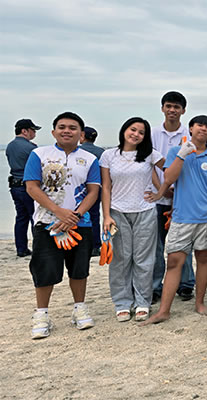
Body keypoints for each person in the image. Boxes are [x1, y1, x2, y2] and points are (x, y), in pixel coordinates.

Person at [141, 115, 207, 325]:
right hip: (182, 216)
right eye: (200, 125)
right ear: (190, 128)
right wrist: (181, 155)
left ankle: (199, 302)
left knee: (203, 259)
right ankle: (164, 310)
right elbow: (169, 178)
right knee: (174, 261)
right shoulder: (175, 152)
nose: (204, 129)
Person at [23, 111, 100, 339]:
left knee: (79, 269)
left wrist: (74, 215)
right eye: (62, 127)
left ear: (81, 133)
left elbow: (93, 190)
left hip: (80, 223)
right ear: (54, 131)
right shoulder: (39, 154)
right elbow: (32, 187)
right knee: (44, 269)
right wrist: (58, 213)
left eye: (73, 127)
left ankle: (79, 307)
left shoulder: (89, 159)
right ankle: (42, 314)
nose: (67, 131)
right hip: (47, 223)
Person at [100, 117, 164, 322]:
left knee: (144, 260)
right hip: (118, 212)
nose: (136, 134)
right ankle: (122, 303)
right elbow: (106, 187)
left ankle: (143, 302)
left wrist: (160, 192)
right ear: (124, 130)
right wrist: (106, 215)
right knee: (121, 259)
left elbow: (171, 171)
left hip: (145, 211)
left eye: (141, 132)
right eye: (132, 129)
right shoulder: (108, 155)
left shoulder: (150, 155)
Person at [150, 91, 195, 303]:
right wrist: (161, 188)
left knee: (183, 243)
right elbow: (147, 163)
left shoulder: (190, 134)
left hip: (182, 199)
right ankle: (155, 286)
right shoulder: (152, 133)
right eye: (168, 106)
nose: (172, 110)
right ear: (162, 108)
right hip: (156, 198)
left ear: (183, 111)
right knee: (156, 244)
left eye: (177, 107)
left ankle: (185, 284)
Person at [7, 118, 39, 257]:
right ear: (24, 131)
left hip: (14, 185)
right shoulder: (31, 148)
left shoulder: (9, 146)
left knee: (21, 217)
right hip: (28, 185)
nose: (34, 134)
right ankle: (38, 247)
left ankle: (21, 248)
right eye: (32, 130)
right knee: (35, 216)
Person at [79, 126, 105, 256]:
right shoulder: (101, 152)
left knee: (79, 215)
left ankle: (82, 243)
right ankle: (95, 245)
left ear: (82, 136)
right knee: (95, 216)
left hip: (80, 189)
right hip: (97, 188)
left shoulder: (77, 151)